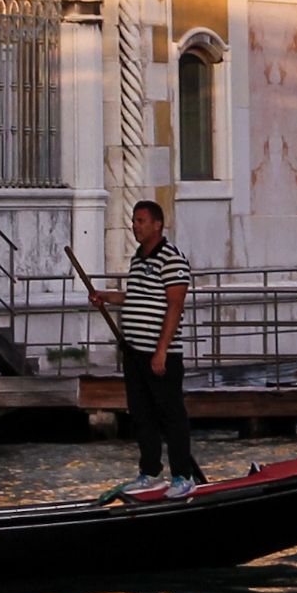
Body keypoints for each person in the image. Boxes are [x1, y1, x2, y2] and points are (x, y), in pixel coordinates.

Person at [113, 198, 203, 501]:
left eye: (140, 221)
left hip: (161, 354)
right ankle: (150, 473)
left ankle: (183, 476)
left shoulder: (172, 259)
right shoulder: (138, 259)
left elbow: (175, 306)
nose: (135, 226)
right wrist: (105, 296)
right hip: (134, 352)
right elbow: (135, 297)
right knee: (142, 415)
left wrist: (161, 350)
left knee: (171, 415)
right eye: (134, 221)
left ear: (157, 224)